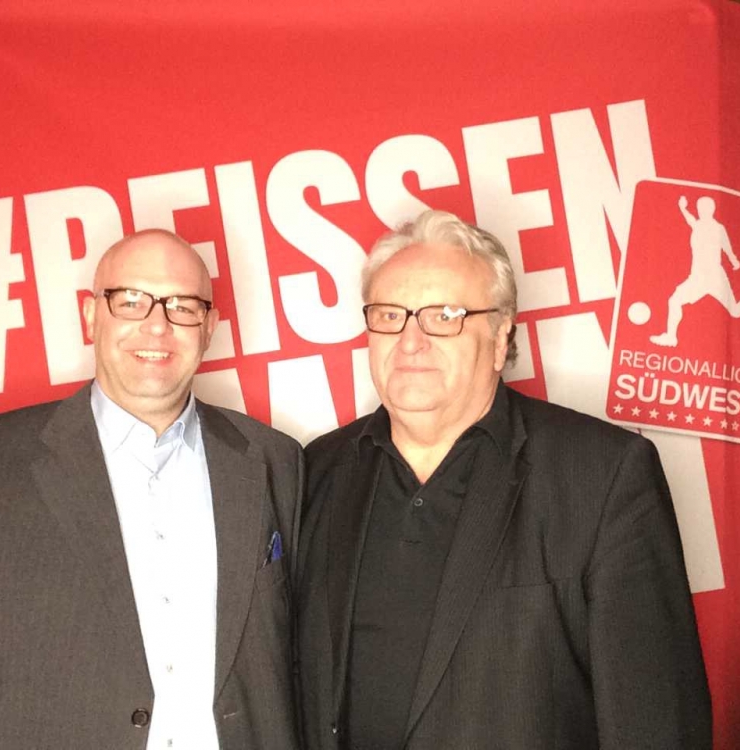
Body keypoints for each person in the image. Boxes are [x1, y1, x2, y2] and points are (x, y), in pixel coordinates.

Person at [295, 210, 712, 749]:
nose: (411, 340)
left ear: (499, 338)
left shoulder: (604, 475)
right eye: (390, 315)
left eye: (444, 316)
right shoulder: (317, 469)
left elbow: (657, 725)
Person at [0, 230, 302, 750]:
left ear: (209, 327)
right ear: (91, 315)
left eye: (183, 306)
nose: (157, 325)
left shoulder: (274, 459)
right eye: (131, 301)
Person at [650, 194, 740, 347]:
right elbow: (690, 219)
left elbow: (727, 247)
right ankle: (671, 337)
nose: (701, 210)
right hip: (697, 277)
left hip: (715, 277)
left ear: (711, 209)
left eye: (704, 208)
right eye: (699, 208)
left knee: (735, 311)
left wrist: (734, 260)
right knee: (674, 301)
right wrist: (682, 208)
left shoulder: (718, 228)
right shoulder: (697, 225)